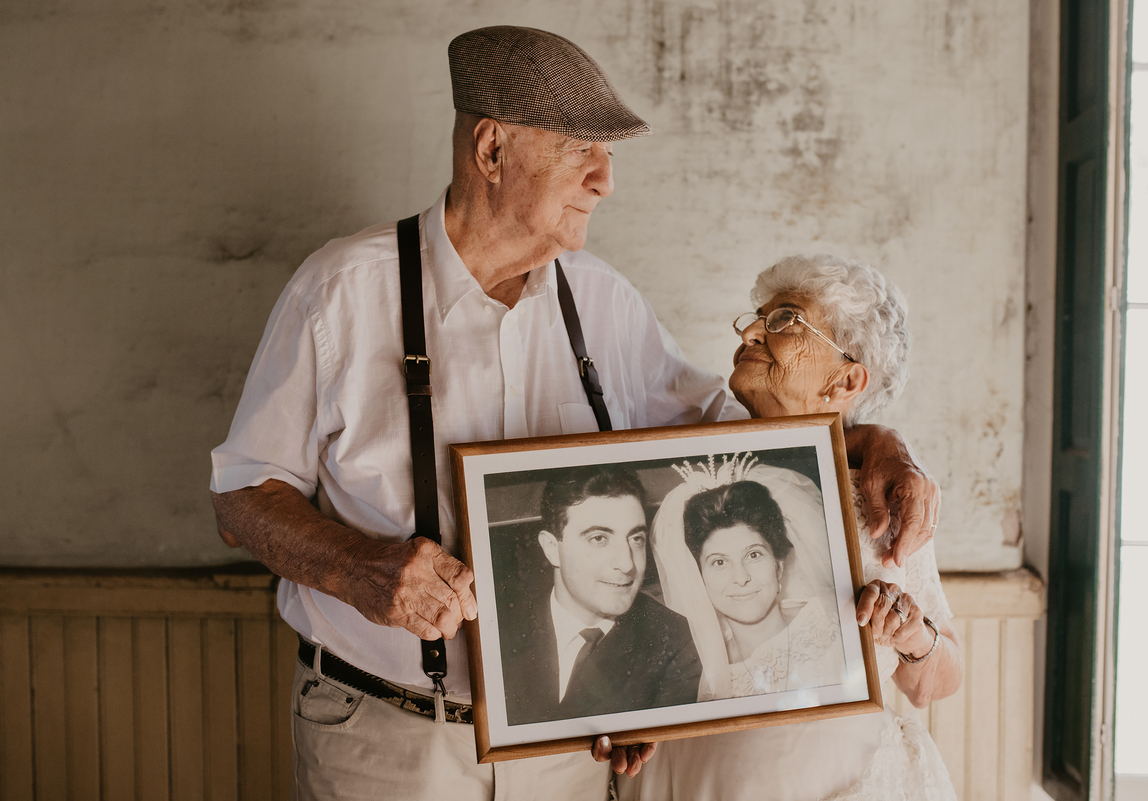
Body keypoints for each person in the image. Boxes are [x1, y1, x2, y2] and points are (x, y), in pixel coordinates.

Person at [209, 24, 942, 799]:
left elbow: (743, 427)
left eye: (609, 157)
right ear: (491, 151)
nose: (604, 181)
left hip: (564, 757)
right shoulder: (338, 292)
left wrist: (879, 440)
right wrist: (358, 569)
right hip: (384, 736)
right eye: (579, 152)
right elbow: (240, 496)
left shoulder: (603, 302)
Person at [620, 254, 964, 801]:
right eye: (758, 316)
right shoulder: (692, 430)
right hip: (685, 779)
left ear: (846, 378)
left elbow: (936, 683)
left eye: (784, 319)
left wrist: (911, 635)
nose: (753, 330)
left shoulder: (883, 503)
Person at [500, 465, 700, 724]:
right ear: (551, 548)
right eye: (599, 539)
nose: (627, 564)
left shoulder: (676, 641)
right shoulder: (499, 627)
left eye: (635, 539)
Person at [655, 468, 845, 701]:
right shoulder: (703, 676)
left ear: (779, 566)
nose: (741, 577)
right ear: (700, 580)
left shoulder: (835, 622)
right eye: (719, 562)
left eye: (753, 555)